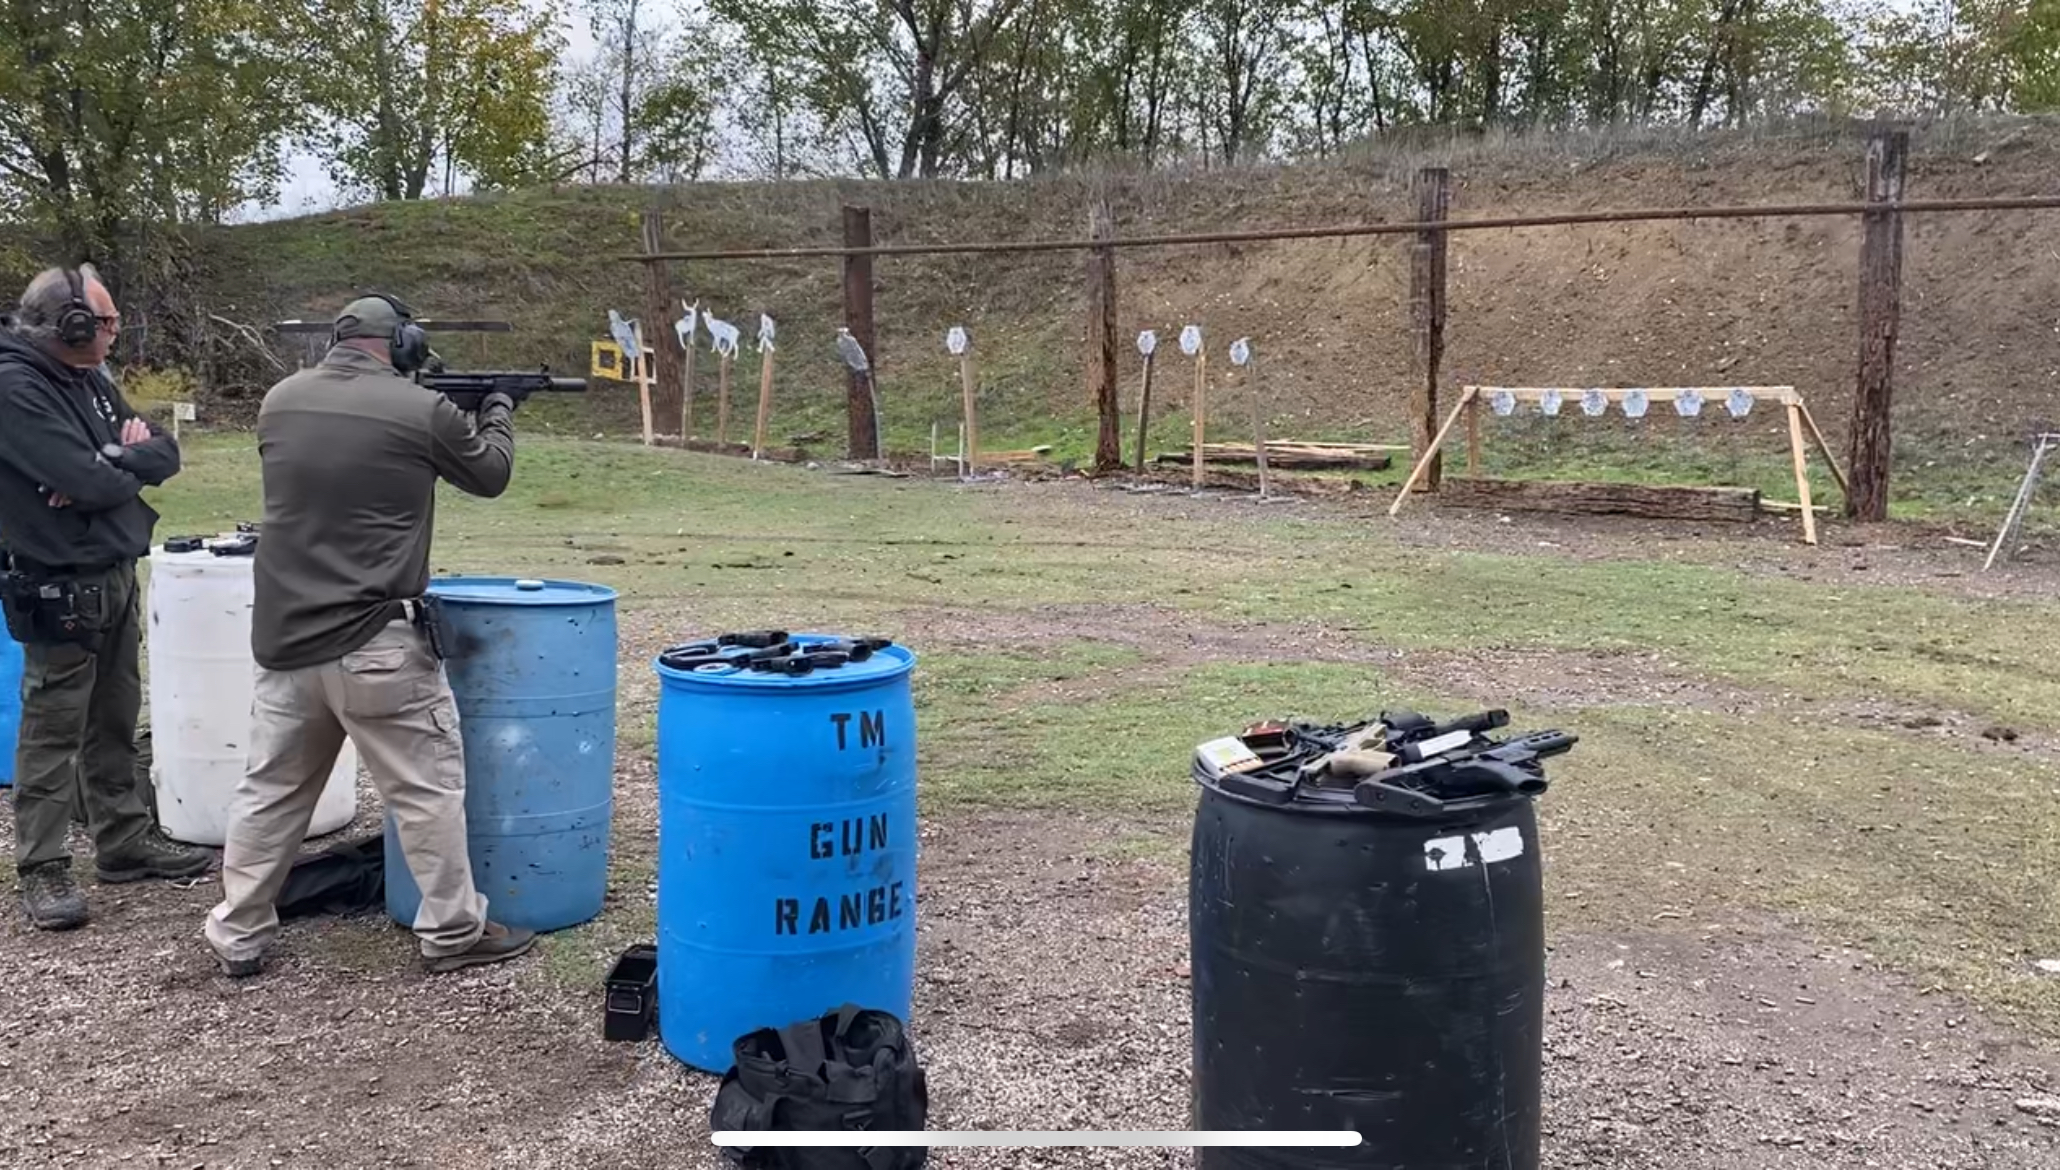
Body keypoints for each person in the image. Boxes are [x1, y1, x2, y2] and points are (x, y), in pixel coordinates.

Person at [202, 292, 536, 977]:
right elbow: (491, 474)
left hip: (287, 641)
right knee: (424, 792)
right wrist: (497, 407)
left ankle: (237, 932)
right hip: (376, 642)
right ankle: (453, 932)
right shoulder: (422, 410)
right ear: (405, 344)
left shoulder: (280, 401)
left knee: (271, 793)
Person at [0, 264, 209, 930]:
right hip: (58, 578)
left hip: (113, 566)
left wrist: (114, 461)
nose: (115, 331)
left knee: (115, 714)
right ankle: (42, 866)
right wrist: (107, 464)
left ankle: (122, 839)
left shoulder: (87, 378)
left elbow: (164, 453)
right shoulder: (14, 386)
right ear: (70, 325)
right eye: (106, 320)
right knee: (53, 727)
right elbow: (83, 480)